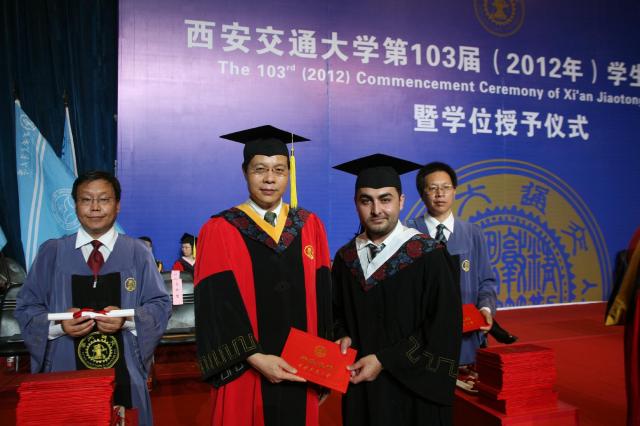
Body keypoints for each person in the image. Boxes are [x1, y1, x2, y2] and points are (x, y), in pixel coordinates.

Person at [194, 125, 332, 426]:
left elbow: (323, 298)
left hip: (302, 371)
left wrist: (323, 371)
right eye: (260, 169)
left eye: (279, 170)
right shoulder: (220, 229)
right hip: (246, 371)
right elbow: (214, 307)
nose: (270, 178)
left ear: (288, 174)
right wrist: (256, 358)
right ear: (245, 172)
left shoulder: (310, 226)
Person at [15, 171, 172, 426]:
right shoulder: (52, 252)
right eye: (86, 199)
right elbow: (26, 308)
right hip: (65, 369)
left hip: (124, 374)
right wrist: (59, 326)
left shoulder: (137, 252)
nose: (95, 207)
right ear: (75, 205)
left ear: (117, 205)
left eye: (104, 199)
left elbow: (160, 306)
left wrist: (126, 321)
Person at [331, 153, 462, 426]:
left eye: (385, 199)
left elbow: (443, 326)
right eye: (366, 200)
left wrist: (385, 360)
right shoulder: (346, 259)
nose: (376, 210)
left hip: (414, 394)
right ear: (356, 204)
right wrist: (341, 335)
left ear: (401, 201)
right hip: (361, 387)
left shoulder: (428, 255)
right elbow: (336, 311)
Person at [406, 161, 515, 391]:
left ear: (454, 191)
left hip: (466, 339)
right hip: (423, 341)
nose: (440, 194)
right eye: (432, 188)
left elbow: (487, 281)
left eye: (446, 187)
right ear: (422, 193)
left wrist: (486, 309)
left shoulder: (473, 233)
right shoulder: (408, 233)